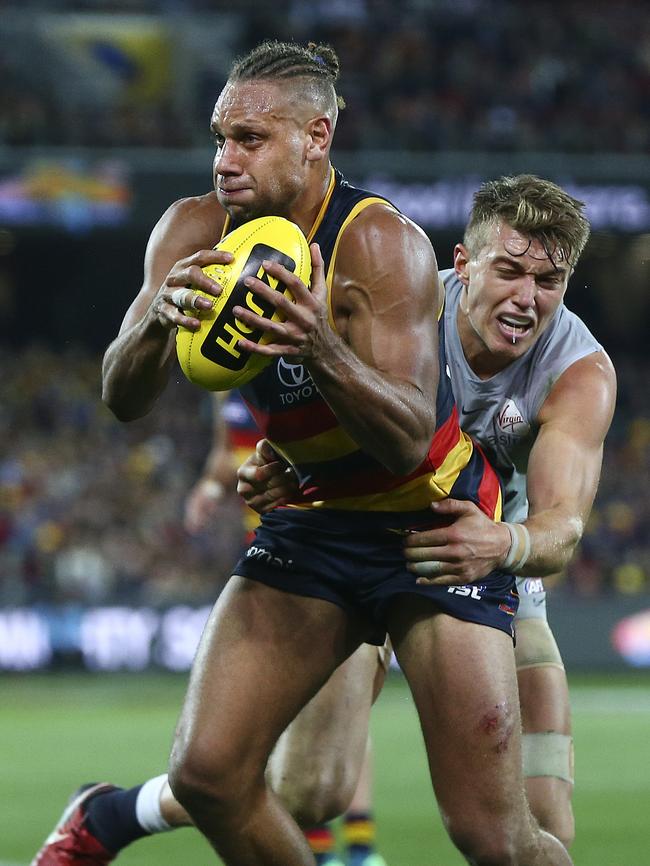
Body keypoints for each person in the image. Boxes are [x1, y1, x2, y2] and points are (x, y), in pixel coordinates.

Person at [33, 40, 572, 866]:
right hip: (314, 521)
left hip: (431, 530)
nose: (225, 161)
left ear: (316, 138)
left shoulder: (379, 243)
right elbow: (121, 398)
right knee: (208, 774)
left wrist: (317, 343)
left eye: (250, 139)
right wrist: (154, 321)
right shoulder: (191, 230)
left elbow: (402, 441)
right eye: (220, 137)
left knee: (494, 838)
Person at [239, 174, 617, 850]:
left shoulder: (579, 370)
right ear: (463, 264)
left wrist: (501, 544)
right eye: (508, 271)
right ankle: (131, 808)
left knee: (538, 827)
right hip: (367, 536)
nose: (527, 299)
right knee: (307, 791)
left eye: (549, 282)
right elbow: (319, 427)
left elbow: (561, 527)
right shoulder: (397, 303)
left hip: (491, 553)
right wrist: (283, 468)